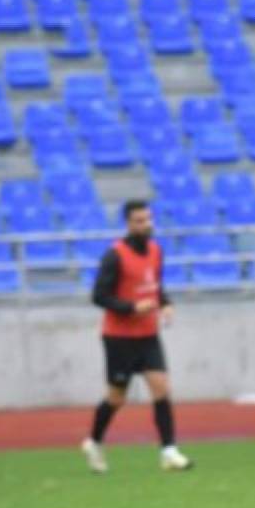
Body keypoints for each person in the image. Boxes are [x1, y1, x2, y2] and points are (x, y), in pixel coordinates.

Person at [81, 200, 193, 474]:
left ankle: (169, 451)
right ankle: (94, 442)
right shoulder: (114, 255)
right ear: (129, 224)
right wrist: (131, 308)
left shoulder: (156, 251)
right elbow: (98, 296)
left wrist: (165, 303)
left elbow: (155, 286)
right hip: (119, 337)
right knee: (117, 397)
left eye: (149, 219)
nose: (146, 225)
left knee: (161, 387)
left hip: (147, 334)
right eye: (140, 221)